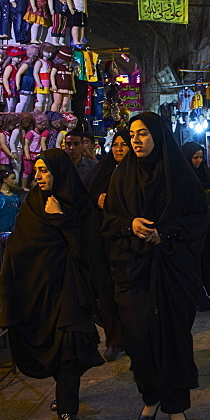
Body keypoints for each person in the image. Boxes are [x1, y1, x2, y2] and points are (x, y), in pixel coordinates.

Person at [103, 113, 207, 420]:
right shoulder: (121, 177)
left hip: (173, 270)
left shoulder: (180, 175)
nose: (136, 140)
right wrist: (129, 224)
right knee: (139, 338)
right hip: (134, 272)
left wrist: (166, 233)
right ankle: (150, 396)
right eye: (132, 135)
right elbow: (108, 222)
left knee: (174, 336)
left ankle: (176, 404)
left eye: (143, 134)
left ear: (158, 137)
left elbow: (198, 218)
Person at [0, 149, 104, 420]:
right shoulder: (33, 204)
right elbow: (20, 248)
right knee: (55, 348)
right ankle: (64, 395)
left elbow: (83, 249)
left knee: (71, 347)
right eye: (38, 170)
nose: (39, 176)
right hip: (40, 291)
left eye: (45, 171)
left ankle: (67, 410)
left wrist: (60, 218)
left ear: (60, 172)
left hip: (70, 288)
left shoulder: (78, 204)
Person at [87, 128, 130, 362]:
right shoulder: (101, 170)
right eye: (115, 145)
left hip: (127, 243)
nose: (119, 149)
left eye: (124, 145)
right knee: (106, 291)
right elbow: (88, 194)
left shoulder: (137, 172)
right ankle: (114, 339)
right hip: (102, 242)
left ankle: (133, 337)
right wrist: (97, 198)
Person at [182, 142, 210, 309]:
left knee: (206, 259)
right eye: (195, 157)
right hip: (191, 226)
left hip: (207, 224)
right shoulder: (182, 175)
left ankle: (203, 296)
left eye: (200, 157)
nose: (198, 161)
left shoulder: (204, 172)